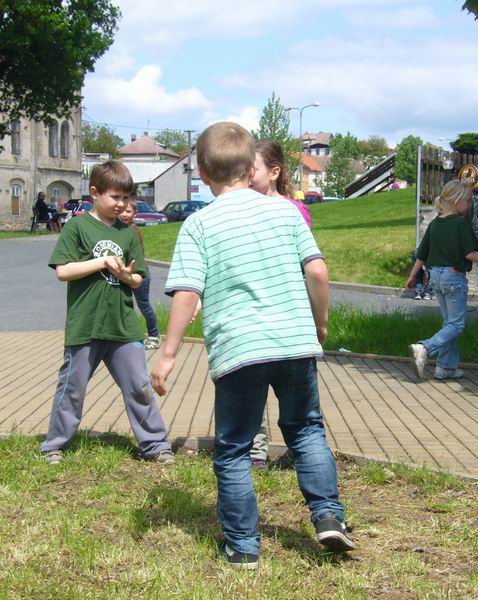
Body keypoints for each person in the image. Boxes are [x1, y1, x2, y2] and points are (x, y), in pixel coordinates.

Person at [150, 122, 355, 569]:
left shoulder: (199, 224)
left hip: (240, 349)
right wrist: (319, 324)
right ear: (250, 167)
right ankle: (329, 516)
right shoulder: (286, 213)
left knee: (235, 447)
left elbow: (186, 293)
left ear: (203, 173)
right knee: (306, 430)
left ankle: (244, 545)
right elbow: (318, 272)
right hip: (295, 343)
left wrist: (168, 354)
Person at [39, 160, 174, 466]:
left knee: (139, 387)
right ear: (94, 193)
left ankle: (156, 445)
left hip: (123, 326)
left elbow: (138, 278)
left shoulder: (128, 233)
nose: (121, 204)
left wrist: (126, 276)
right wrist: (101, 262)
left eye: (126, 198)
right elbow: (63, 271)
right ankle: (54, 445)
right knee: (72, 388)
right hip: (85, 325)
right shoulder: (77, 227)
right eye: (115, 197)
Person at [246, 139, 312, 469]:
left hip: (287, 314)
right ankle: (255, 450)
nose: (245, 176)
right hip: (251, 314)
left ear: (274, 172)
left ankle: (300, 449)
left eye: (252, 169)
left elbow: (308, 265)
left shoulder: (294, 211)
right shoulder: (240, 209)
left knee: (294, 393)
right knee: (251, 388)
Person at [406, 180, 478, 381]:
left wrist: (412, 276)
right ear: (456, 200)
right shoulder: (460, 223)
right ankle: (425, 347)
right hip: (453, 278)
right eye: (467, 201)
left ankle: (445, 367)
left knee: (448, 324)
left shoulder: (435, 224)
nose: (469, 205)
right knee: (456, 325)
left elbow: (422, 254)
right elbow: (470, 253)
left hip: (435, 277)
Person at [118, 201, 161, 350]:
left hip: (139, 274)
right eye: (122, 211)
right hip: (123, 274)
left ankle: (154, 335)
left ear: (134, 214)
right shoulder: (116, 229)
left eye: (128, 211)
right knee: (122, 305)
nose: (124, 214)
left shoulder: (133, 230)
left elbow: (134, 256)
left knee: (144, 306)